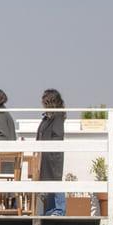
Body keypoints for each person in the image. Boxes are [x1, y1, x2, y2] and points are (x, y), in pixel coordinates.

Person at [37, 88, 66, 216]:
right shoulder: (48, 117)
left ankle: (59, 209)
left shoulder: (57, 117)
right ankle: (50, 210)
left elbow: (58, 135)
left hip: (53, 155)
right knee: (48, 181)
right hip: (46, 154)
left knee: (55, 179)